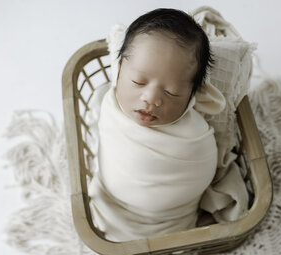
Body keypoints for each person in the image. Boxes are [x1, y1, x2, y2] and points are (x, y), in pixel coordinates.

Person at [87, 8, 241, 242]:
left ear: (193, 94)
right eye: (138, 81)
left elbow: (202, 173)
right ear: (118, 69)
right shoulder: (108, 105)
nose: (151, 99)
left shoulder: (194, 137)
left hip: (172, 218)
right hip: (113, 205)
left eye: (171, 92)